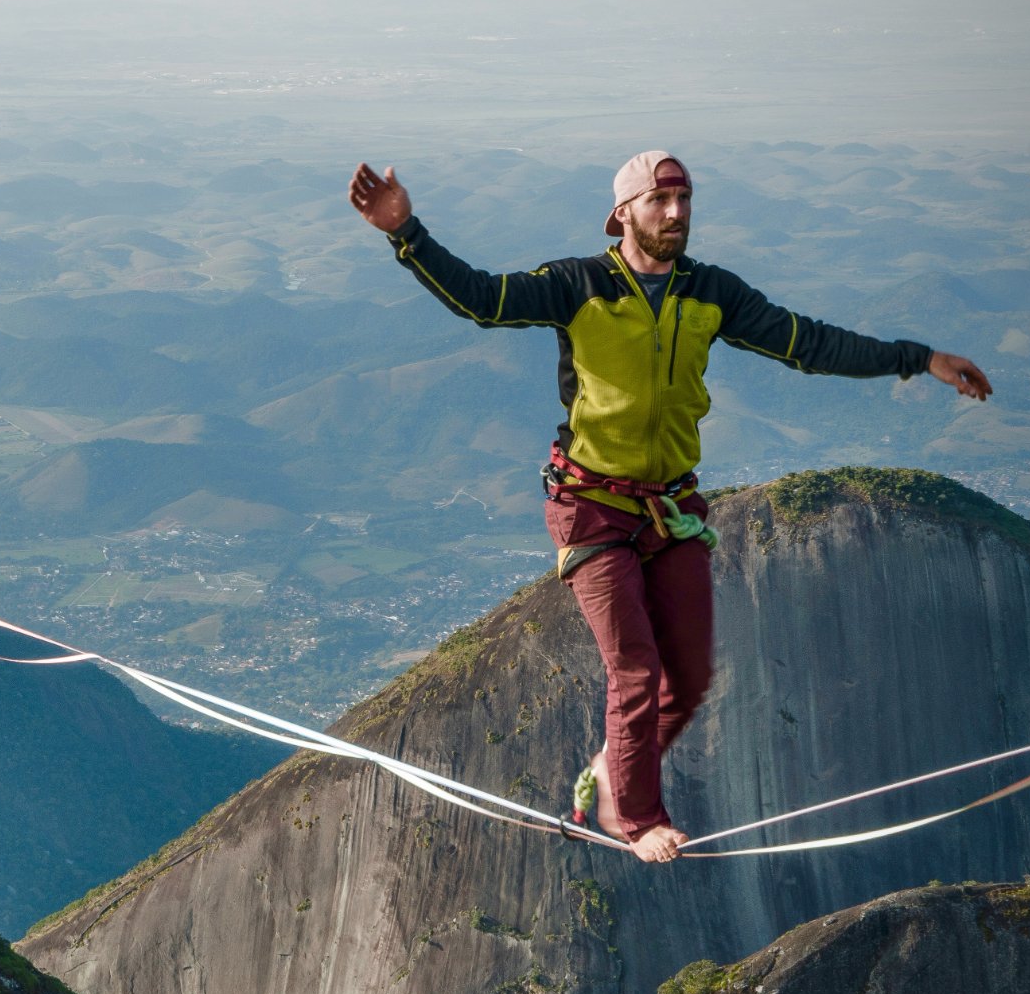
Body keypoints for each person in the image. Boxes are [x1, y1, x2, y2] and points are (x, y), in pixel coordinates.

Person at [348, 152, 992, 864]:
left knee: (685, 683)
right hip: (590, 506)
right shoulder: (578, 285)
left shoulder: (709, 292)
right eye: (659, 201)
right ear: (622, 212)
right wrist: (405, 232)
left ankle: (606, 771)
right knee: (636, 671)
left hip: (671, 510)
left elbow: (807, 344)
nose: (677, 213)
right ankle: (637, 819)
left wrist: (921, 358)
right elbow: (482, 299)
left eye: (684, 200)